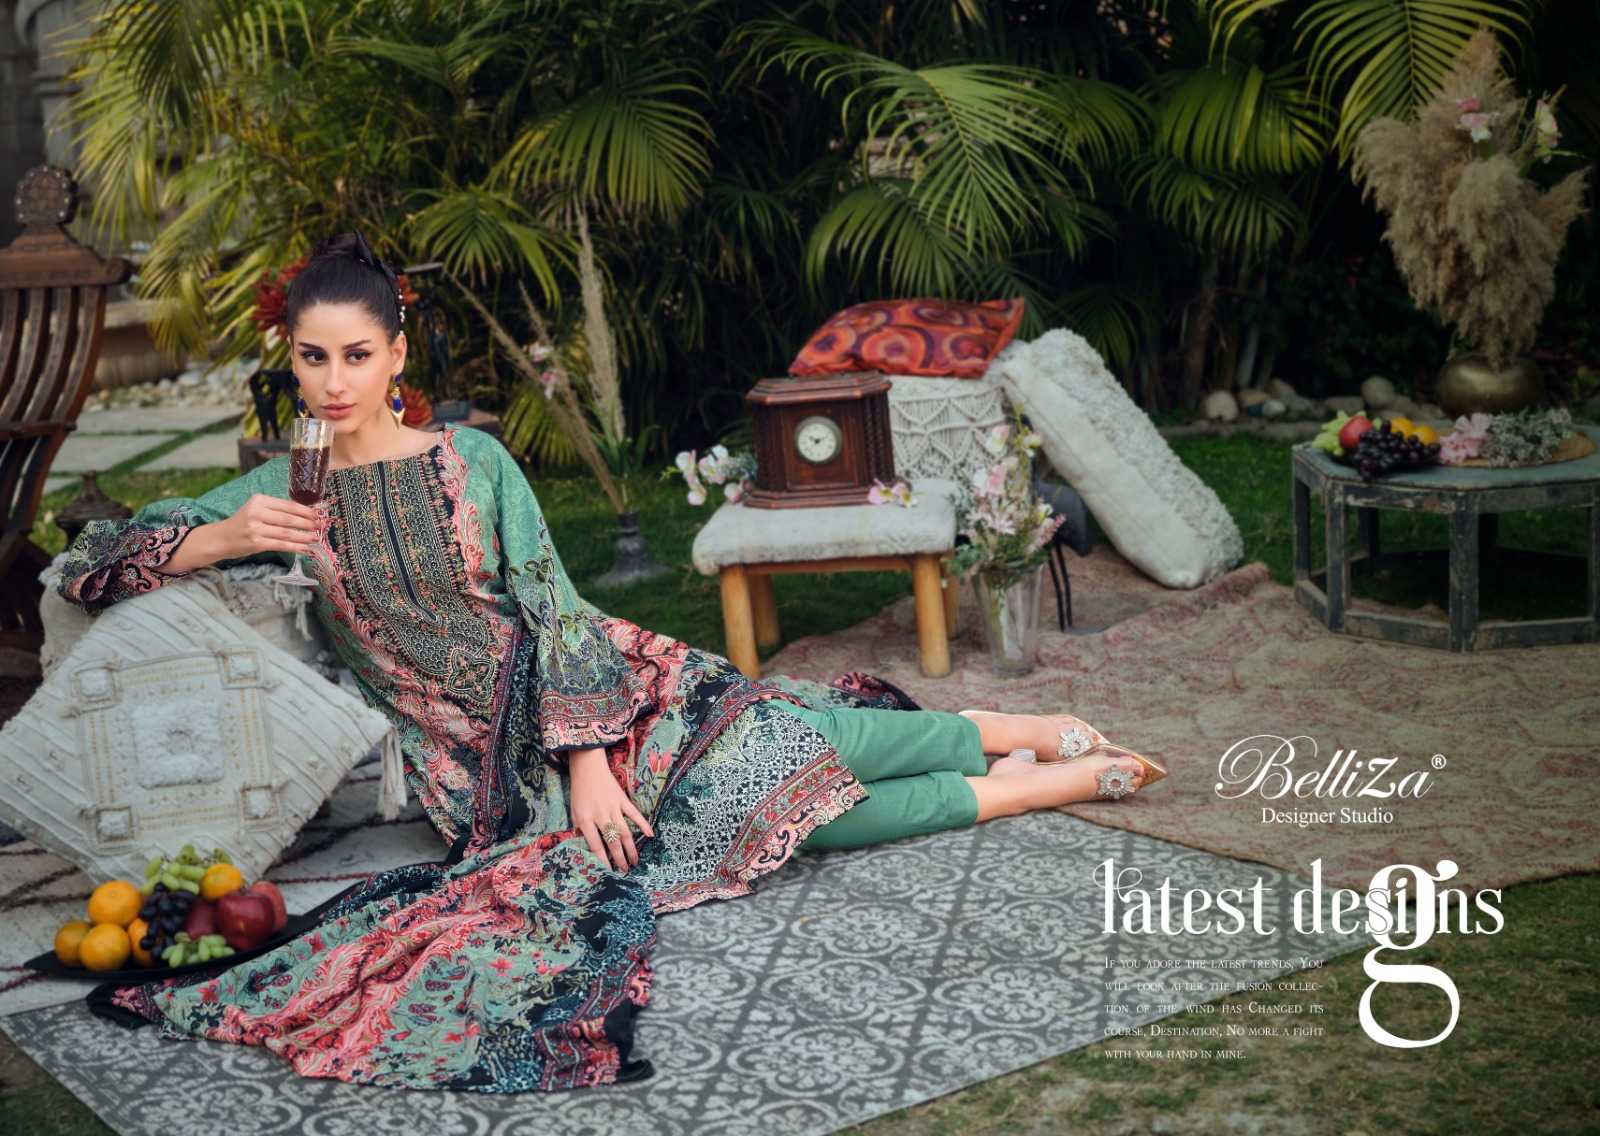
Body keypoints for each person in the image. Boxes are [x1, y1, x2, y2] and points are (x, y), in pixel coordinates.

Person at [56, 231, 1166, 1094]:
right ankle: (1037, 784)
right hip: (487, 777)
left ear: (395, 355)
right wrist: (222, 537)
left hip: (601, 691)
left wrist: (589, 756)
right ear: (292, 360)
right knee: (782, 820)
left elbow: (554, 604)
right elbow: (90, 560)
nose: (333, 380)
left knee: (785, 747)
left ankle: (1002, 732)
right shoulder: (281, 489)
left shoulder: (471, 460)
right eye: (313, 357)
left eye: (356, 354)